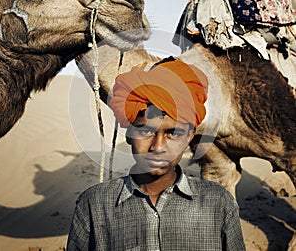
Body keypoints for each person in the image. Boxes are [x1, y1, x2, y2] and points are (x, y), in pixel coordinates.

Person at [67, 57, 246, 251]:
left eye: (173, 133)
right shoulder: (93, 206)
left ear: (189, 137)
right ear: (129, 133)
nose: (158, 146)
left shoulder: (219, 203)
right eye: (146, 131)